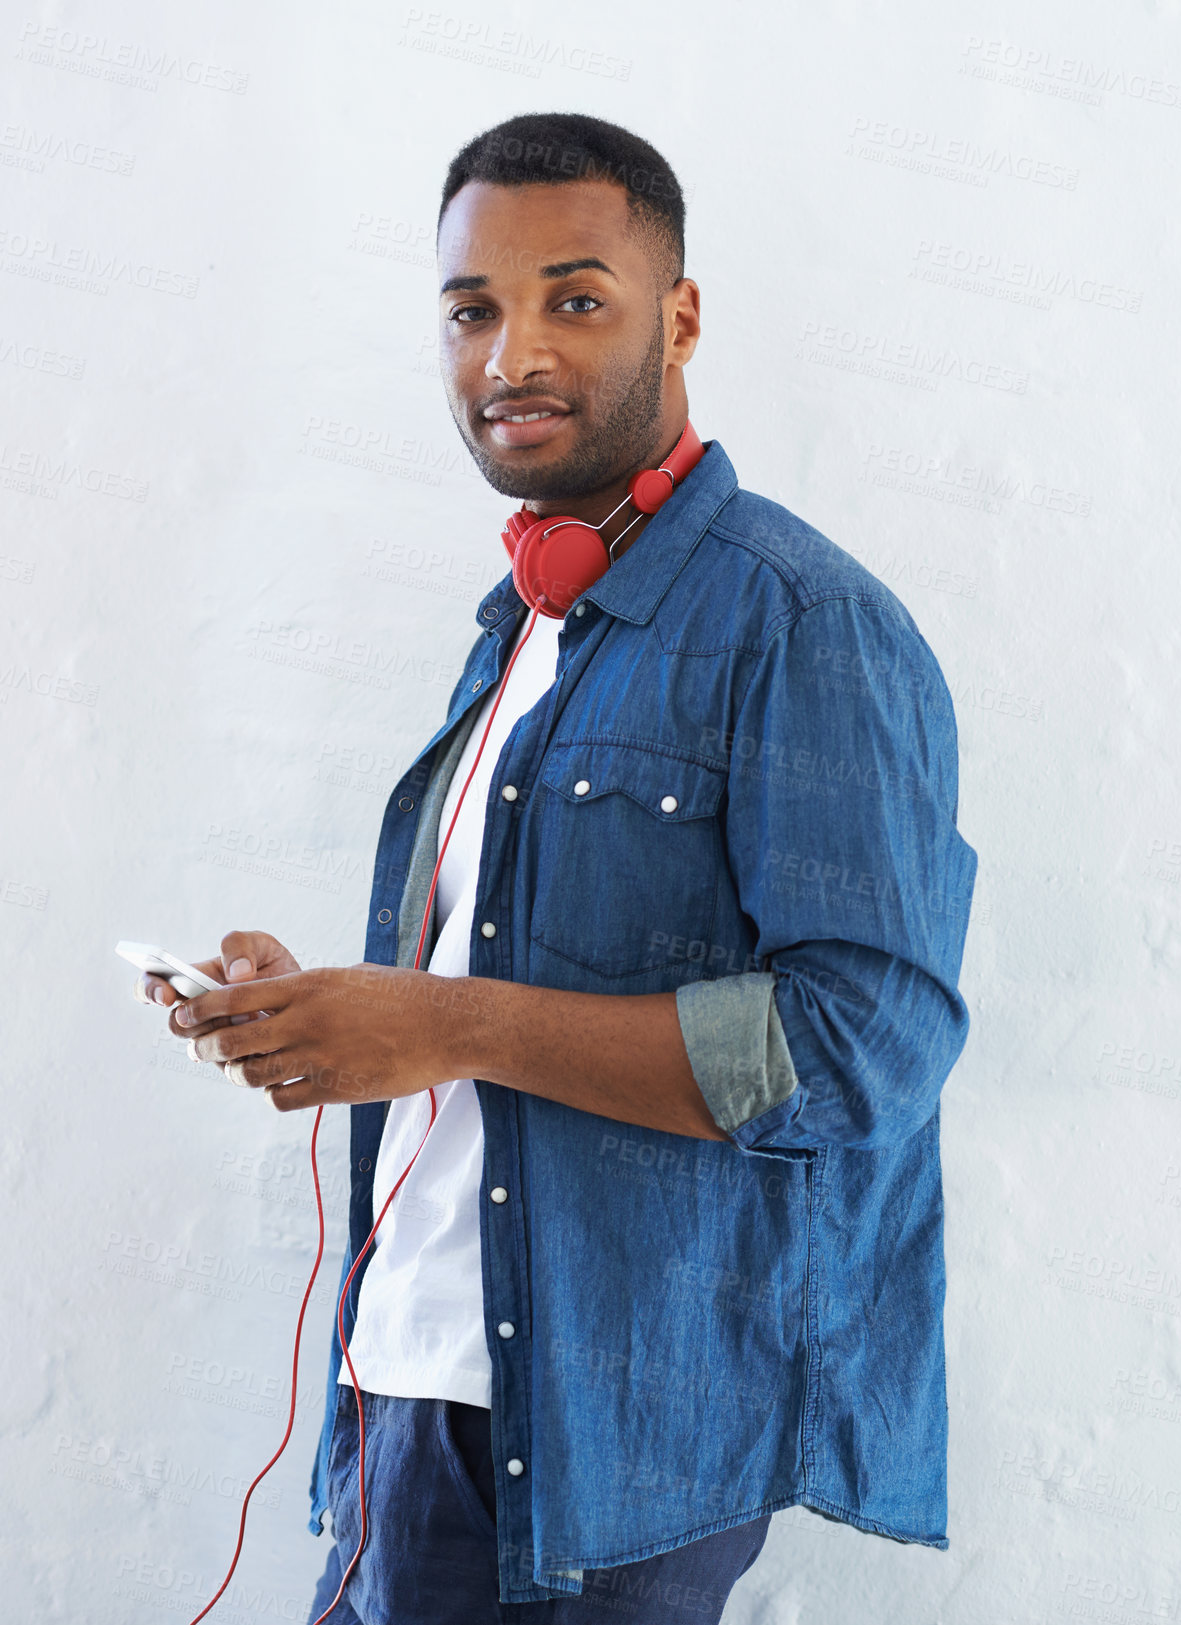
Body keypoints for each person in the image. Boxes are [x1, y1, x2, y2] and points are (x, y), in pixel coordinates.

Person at [137, 111, 979, 1622]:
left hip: (599, 1452)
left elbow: (861, 1046)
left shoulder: (802, 620)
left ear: (681, 316)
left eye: (572, 298)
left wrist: (444, 1021)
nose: (509, 351)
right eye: (472, 307)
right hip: (405, 1386)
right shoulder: (519, 629)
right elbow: (486, 988)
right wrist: (328, 1010)